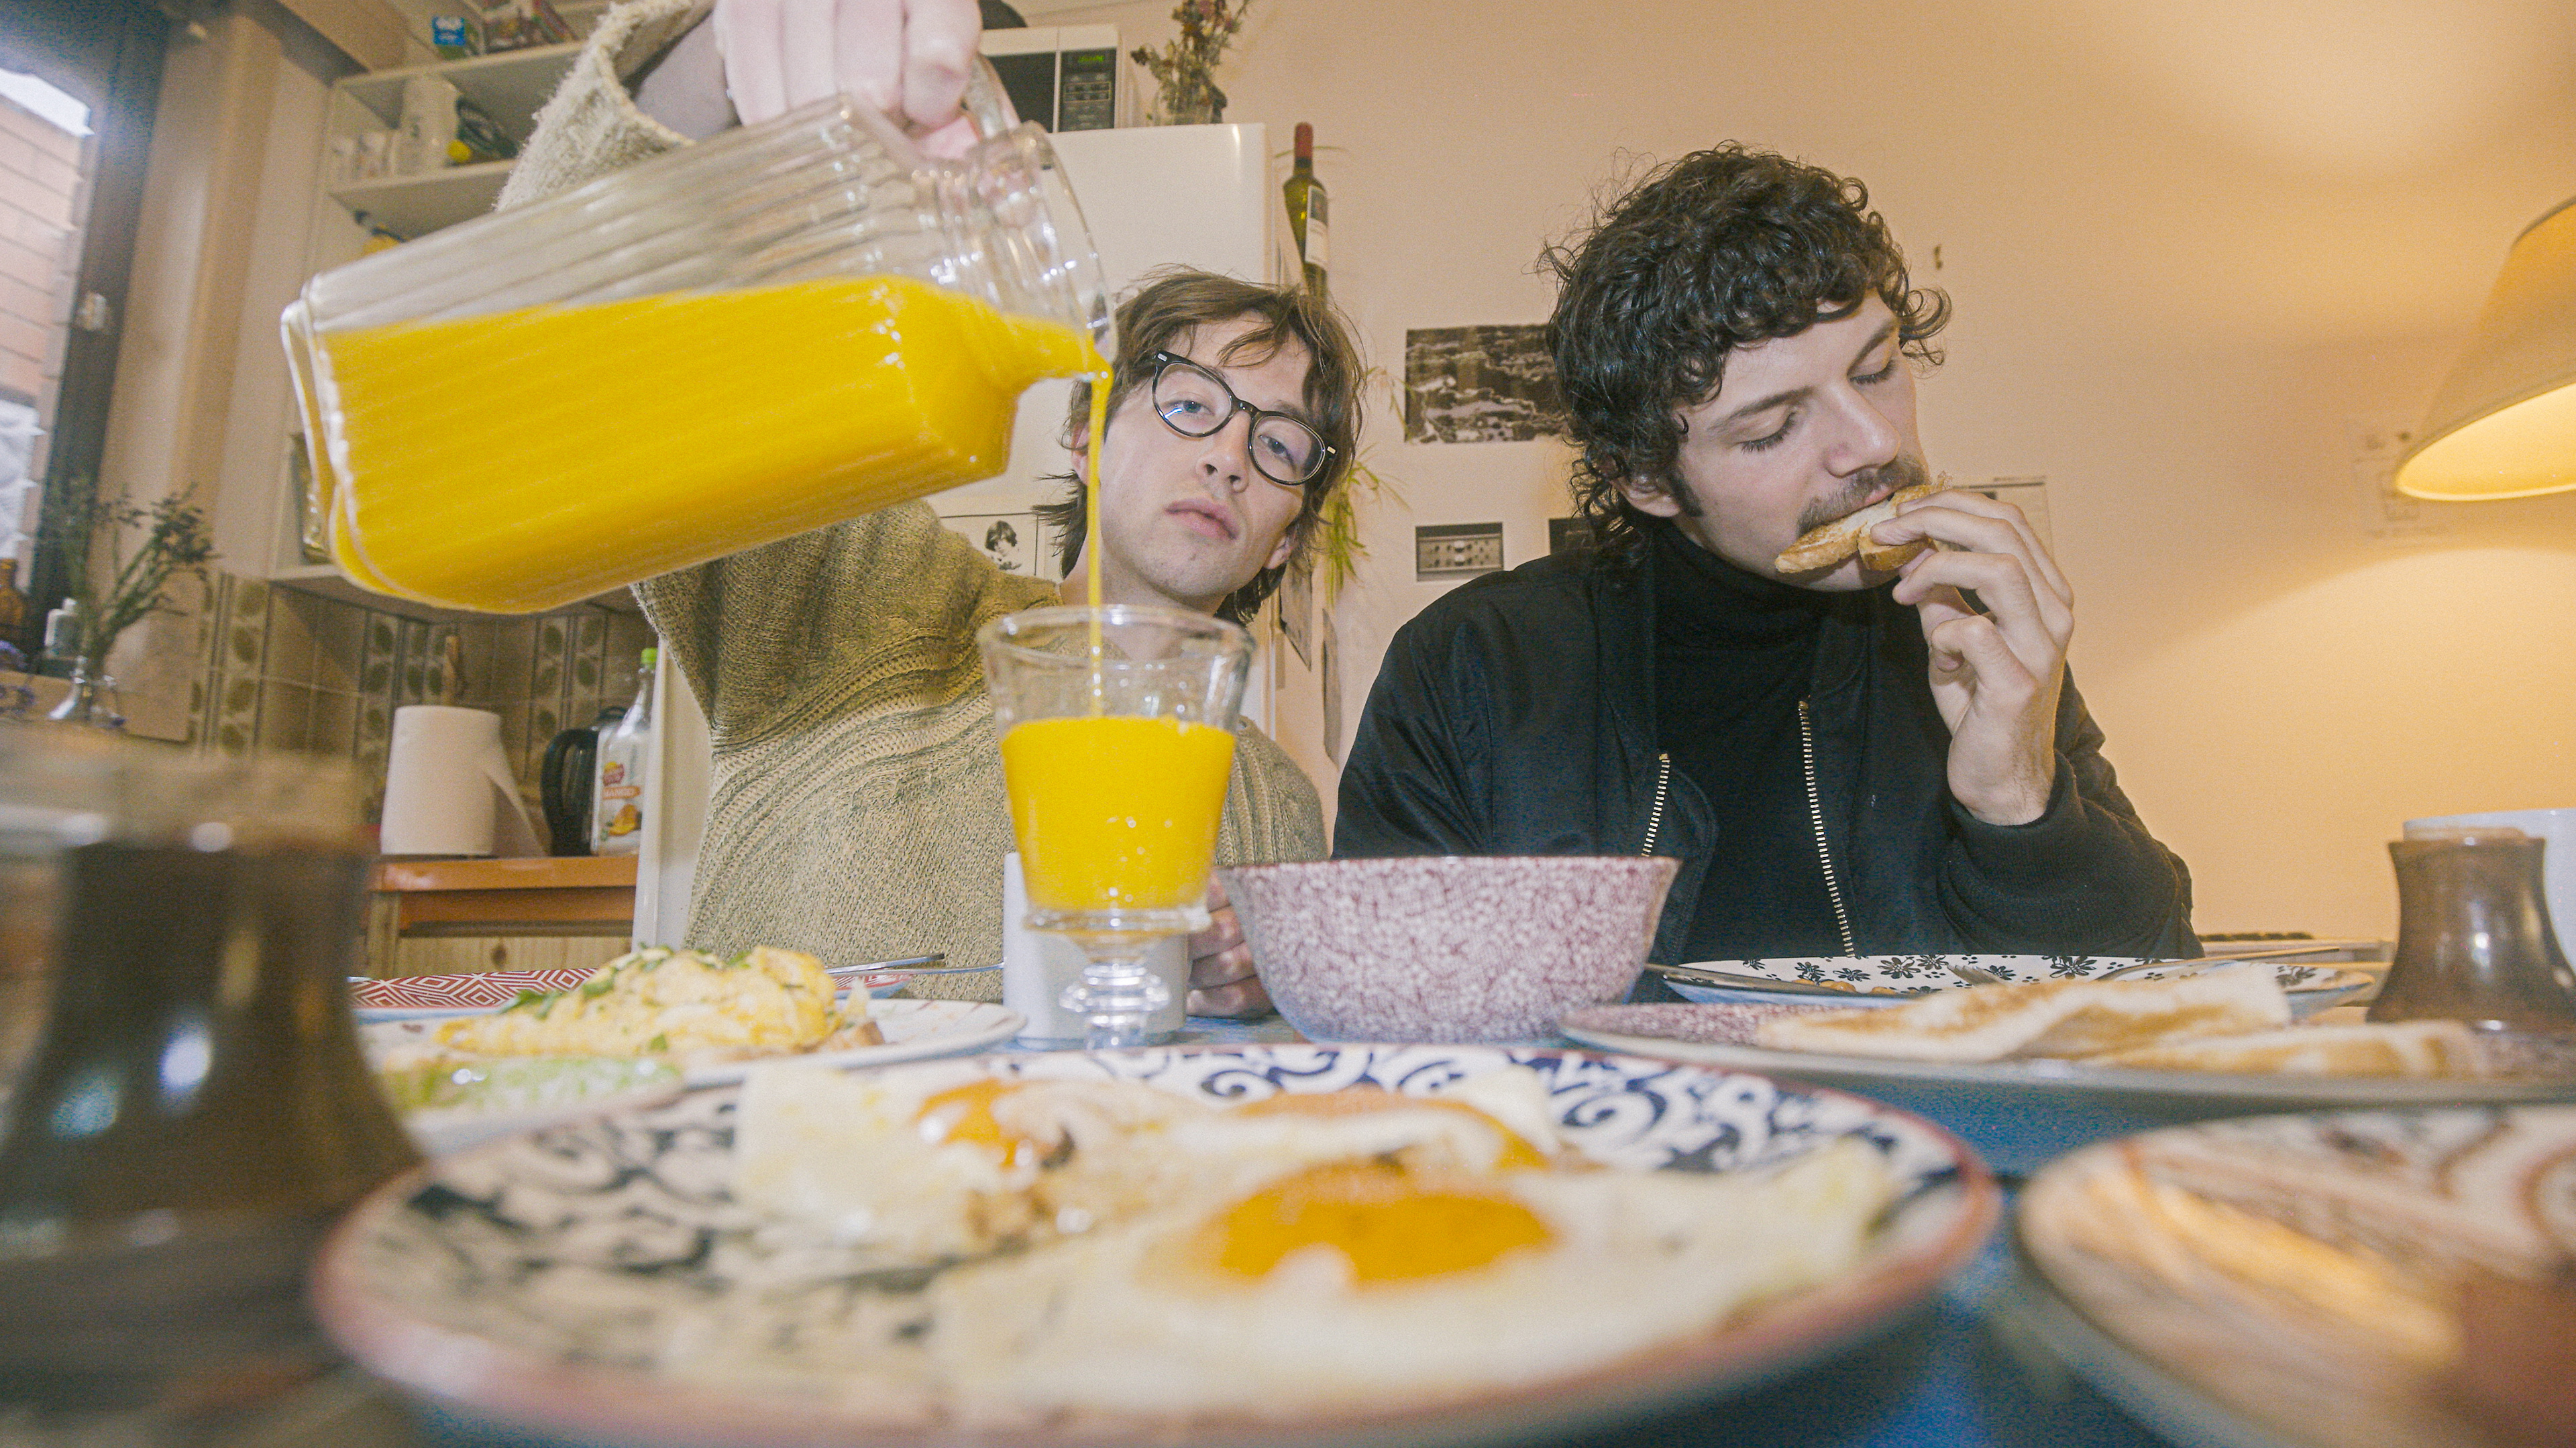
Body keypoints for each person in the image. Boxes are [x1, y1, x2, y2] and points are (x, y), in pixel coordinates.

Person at [500, 0, 1366, 1015]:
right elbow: (589, 359)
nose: (1226, 455)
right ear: (1084, 433)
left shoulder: (1277, 805)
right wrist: (707, 65)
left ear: (1288, 536)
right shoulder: (872, 603)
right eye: (1188, 400)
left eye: (1279, 445)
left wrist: (1266, 989)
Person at [1334, 143, 2196, 966]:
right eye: (1775, 426)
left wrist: (2020, 802)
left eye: (1876, 369)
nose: (1874, 440)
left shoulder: (1970, 636)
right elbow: (1389, 1006)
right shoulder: (1471, 667)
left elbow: (2156, 998)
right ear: (1646, 478)